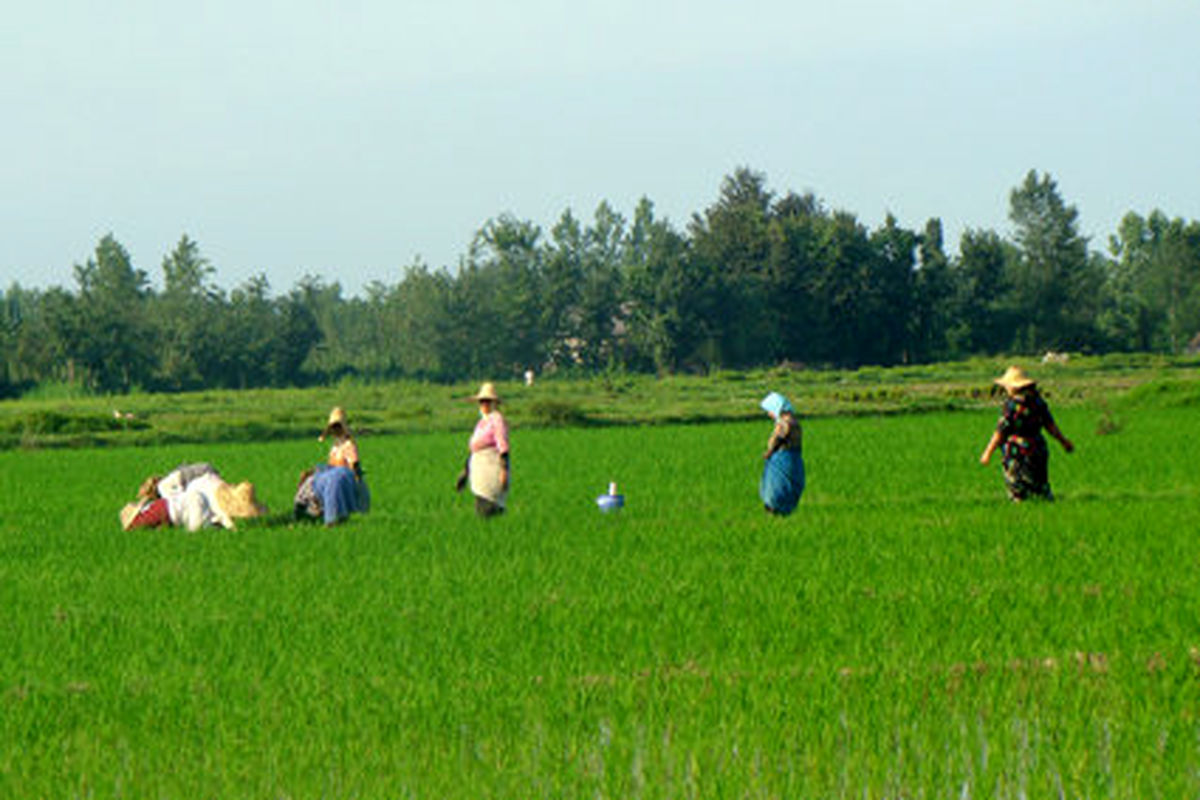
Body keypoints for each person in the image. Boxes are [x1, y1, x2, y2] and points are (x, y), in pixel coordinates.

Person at [979, 365, 1075, 502]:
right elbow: (1050, 426)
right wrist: (1063, 442)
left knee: (1017, 489)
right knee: (1040, 486)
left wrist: (987, 453)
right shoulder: (1038, 403)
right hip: (1037, 449)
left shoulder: (1011, 406)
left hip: (1016, 452)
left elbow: (1001, 432)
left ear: (1013, 387)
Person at [121, 473, 267, 531]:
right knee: (203, 528)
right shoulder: (154, 506)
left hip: (190, 503)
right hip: (189, 502)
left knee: (199, 530)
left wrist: (232, 529)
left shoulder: (144, 517)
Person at [455, 381, 510, 517]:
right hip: (479, 473)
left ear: (494, 403)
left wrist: (504, 471)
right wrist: (465, 473)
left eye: (487, 401)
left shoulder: (497, 419)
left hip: (491, 471)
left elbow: (502, 446)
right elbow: (473, 450)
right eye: (482, 402)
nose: (484, 405)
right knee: (481, 510)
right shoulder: (481, 423)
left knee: (488, 508)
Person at [759, 391, 806, 515]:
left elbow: (779, 439)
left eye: (770, 411)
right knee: (788, 486)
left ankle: (776, 510)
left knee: (777, 486)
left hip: (782, 458)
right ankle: (784, 511)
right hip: (794, 458)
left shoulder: (784, 422)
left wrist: (769, 451)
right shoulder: (794, 421)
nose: (769, 414)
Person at [320, 407, 370, 513]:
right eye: (333, 427)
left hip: (347, 483)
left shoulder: (349, 445)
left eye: (337, 427)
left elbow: (354, 466)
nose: (335, 430)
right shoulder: (335, 446)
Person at [294, 465, 363, 527]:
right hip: (346, 474)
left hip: (326, 487)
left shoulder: (310, 483)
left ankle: (333, 522)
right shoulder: (318, 477)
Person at [137, 462, 220, 502]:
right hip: (203, 470)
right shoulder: (165, 481)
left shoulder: (163, 489)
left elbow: (179, 498)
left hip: (203, 473)